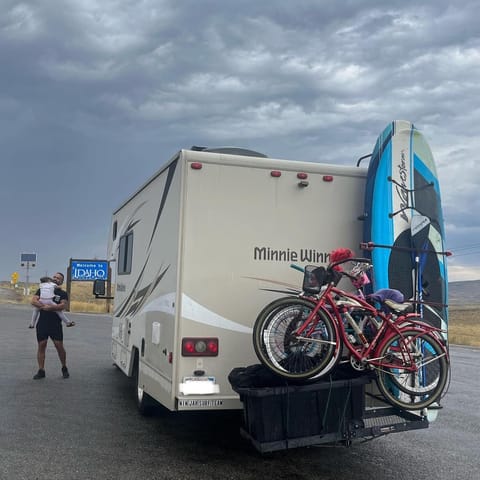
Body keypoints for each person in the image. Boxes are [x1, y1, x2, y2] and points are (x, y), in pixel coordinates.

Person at [30, 272, 73, 380]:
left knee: (59, 346)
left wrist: (51, 308)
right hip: (42, 323)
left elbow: (63, 305)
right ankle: (41, 370)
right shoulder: (42, 289)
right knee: (42, 345)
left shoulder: (62, 293)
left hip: (55, 324)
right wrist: (44, 306)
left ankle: (64, 367)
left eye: (58, 278)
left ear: (61, 281)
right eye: (54, 277)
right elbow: (34, 301)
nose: (55, 279)